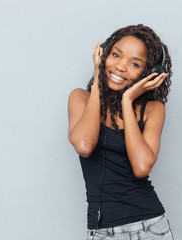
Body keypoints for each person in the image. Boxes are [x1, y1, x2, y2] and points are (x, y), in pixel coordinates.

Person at [68, 24, 174, 240]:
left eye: (135, 63)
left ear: (150, 73)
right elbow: (84, 146)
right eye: (116, 55)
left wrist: (127, 101)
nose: (121, 67)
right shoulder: (80, 99)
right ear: (103, 54)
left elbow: (142, 168)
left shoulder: (152, 110)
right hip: (101, 230)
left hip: (150, 226)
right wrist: (98, 80)